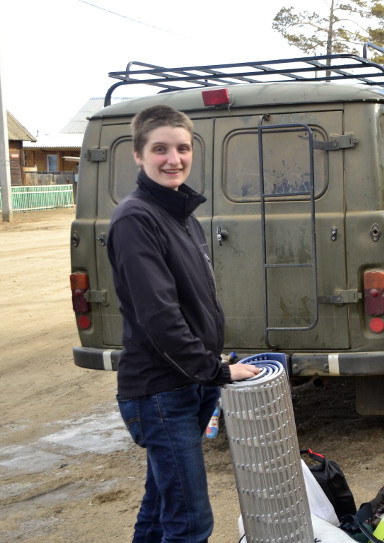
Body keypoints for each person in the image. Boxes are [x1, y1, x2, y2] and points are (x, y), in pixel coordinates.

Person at [107, 104, 260, 543]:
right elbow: (159, 315)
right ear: (138, 155)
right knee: (190, 523)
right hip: (160, 391)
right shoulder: (137, 219)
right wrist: (215, 370)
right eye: (160, 149)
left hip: (188, 382)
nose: (173, 159)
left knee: (159, 512)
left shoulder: (181, 215)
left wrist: (209, 368)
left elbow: (193, 302)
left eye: (182, 148)